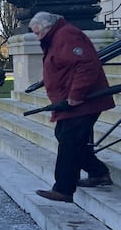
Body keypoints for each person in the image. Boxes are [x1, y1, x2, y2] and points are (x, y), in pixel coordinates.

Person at [29, 11, 114, 203]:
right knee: (68, 138)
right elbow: (65, 64)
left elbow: (86, 66)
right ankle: (98, 172)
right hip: (71, 102)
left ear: (48, 27)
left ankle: (64, 189)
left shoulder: (66, 35)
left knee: (69, 142)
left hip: (82, 101)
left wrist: (76, 95)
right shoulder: (57, 36)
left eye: (37, 32)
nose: (36, 36)